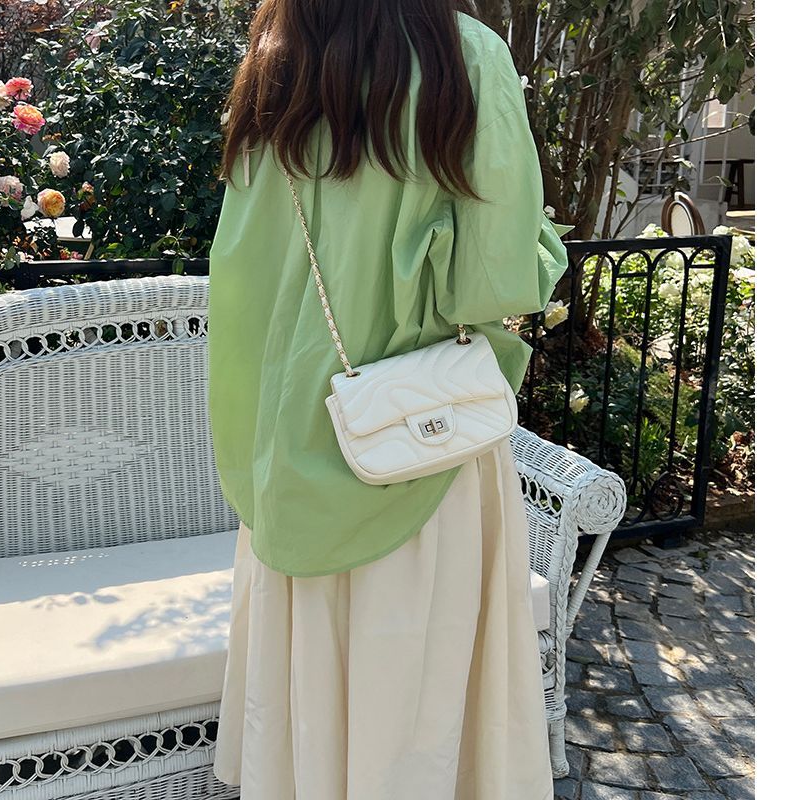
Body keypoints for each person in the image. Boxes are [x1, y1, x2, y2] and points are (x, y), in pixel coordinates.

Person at [206, 2, 569, 798]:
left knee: (311, 687)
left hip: (290, 446)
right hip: (417, 445)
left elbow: (238, 272)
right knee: (418, 700)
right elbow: (493, 282)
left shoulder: (276, 54)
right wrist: (543, 245)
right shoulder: (464, 56)